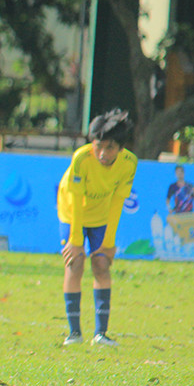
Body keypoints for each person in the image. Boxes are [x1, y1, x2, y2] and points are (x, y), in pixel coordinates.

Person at [56, 109, 137, 347]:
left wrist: (108, 243)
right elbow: (75, 200)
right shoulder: (81, 158)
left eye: (110, 148)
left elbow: (117, 202)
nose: (102, 153)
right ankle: (74, 333)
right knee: (75, 263)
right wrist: (75, 240)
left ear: (121, 148)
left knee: (101, 265)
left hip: (100, 216)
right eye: (98, 146)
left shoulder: (129, 163)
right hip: (72, 213)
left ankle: (101, 334)